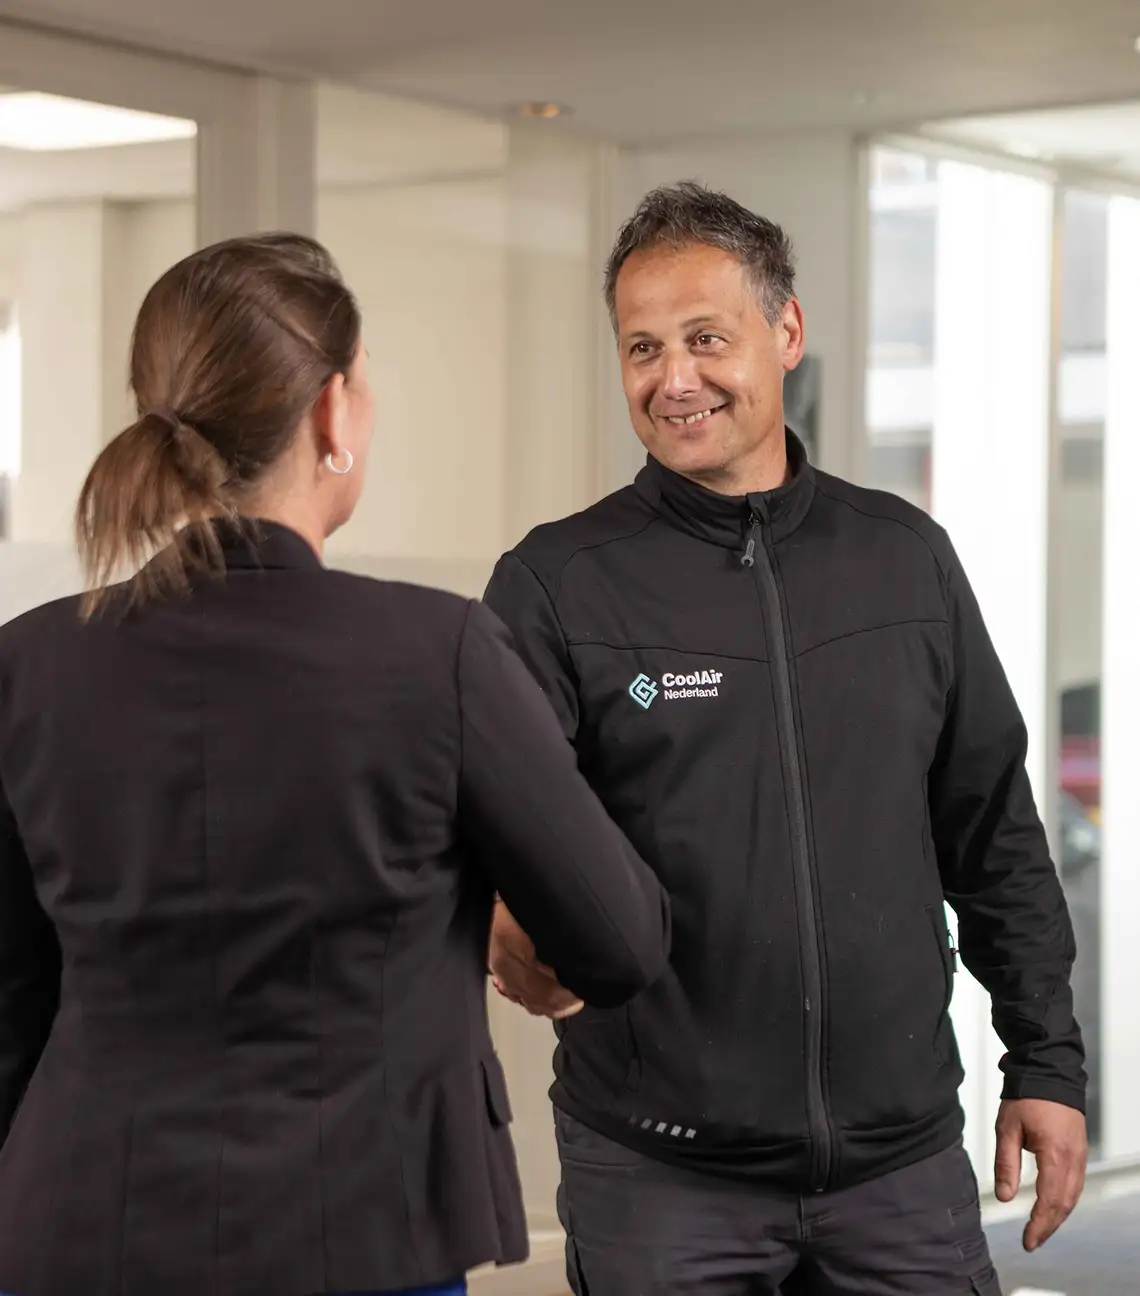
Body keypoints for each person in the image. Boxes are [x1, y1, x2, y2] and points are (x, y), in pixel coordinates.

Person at [0, 233, 671, 1296]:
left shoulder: (27, 664)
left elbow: (10, 1001)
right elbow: (620, 940)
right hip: (362, 1234)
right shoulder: (437, 653)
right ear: (331, 412)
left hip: (79, 1230)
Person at [484, 183, 1088, 1296]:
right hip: (659, 1175)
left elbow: (993, 832)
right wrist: (503, 917)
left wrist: (1046, 1063)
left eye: (707, 339)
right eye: (642, 348)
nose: (676, 379)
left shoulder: (905, 561)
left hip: (899, 1171)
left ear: (788, 331)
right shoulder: (556, 585)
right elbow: (487, 832)